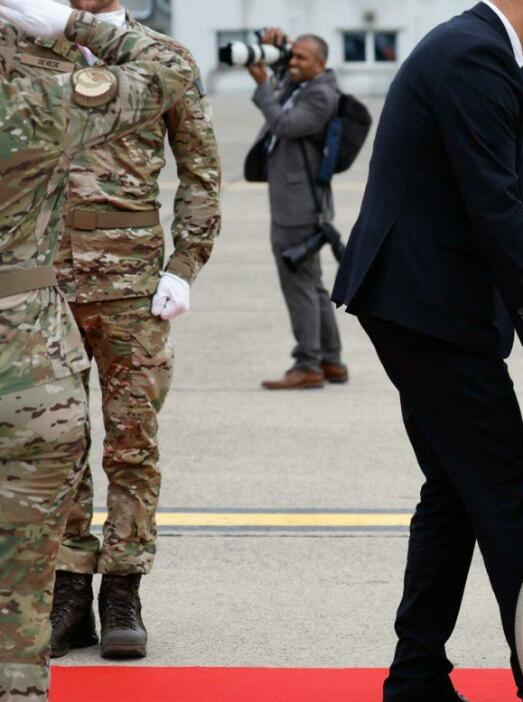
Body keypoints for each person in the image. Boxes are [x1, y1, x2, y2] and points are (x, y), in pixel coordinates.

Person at [329, 1, 523, 700]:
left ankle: (416, 675)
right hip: (425, 308)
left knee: (455, 491)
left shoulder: (478, 48)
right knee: (507, 489)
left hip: (419, 303)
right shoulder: (474, 55)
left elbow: (490, 196)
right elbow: (494, 203)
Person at [0, 0, 221, 660]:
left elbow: (201, 169)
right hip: (43, 286)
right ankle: (69, 588)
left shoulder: (158, 56)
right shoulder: (23, 48)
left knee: (132, 441)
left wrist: (185, 263)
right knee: (57, 444)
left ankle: (122, 589)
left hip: (133, 290)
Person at [248, 29, 346, 390]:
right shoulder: (304, 84)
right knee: (313, 284)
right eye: (293, 56)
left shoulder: (321, 94)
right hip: (299, 202)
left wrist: (261, 86)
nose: (293, 63)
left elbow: (284, 124)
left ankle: (308, 363)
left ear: (321, 63)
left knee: (299, 286)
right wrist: (274, 46)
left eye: (301, 58)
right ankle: (330, 360)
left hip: (299, 206)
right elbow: (283, 89)